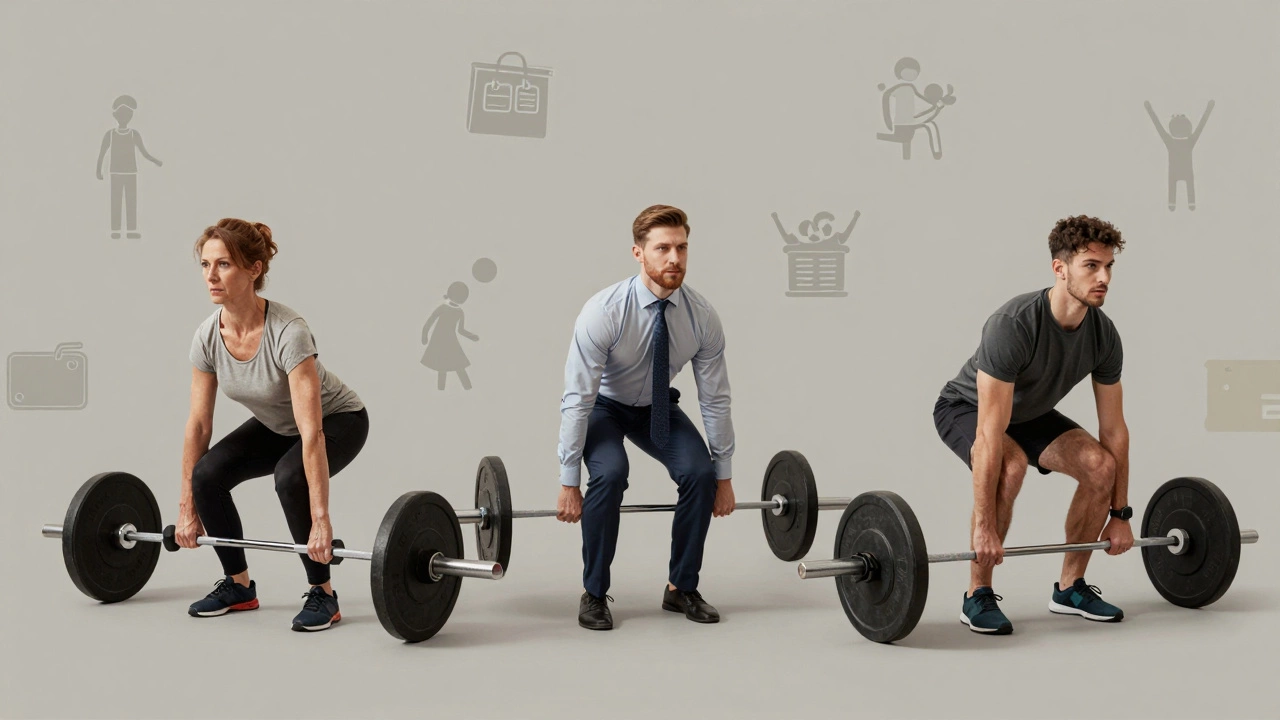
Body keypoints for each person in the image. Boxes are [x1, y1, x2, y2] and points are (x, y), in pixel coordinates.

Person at [932, 215, 1135, 636]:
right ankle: (977, 594)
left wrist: (1120, 514)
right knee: (1010, 465)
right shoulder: (1014, 325)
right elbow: (990, 433)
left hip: (1029, 412)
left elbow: (1113, 430)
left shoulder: (1103, 335)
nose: (1104, 278)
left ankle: (1070, 587)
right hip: (968, 408)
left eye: (1109, 266)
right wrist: (984, 527)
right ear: (1060, 269)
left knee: (1100, 465)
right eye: (1091, 266)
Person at [177, 218, 369, 632]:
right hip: (276, 423)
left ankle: (324, 593)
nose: (211, 275)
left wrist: (321, 521)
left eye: (224, 264)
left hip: (338, 420)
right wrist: (187, 511)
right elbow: (198, 426)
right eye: (205, 264)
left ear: (254, 270)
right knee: (206, 474)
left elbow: (311, 430)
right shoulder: (207, 336)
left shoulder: (288, 332)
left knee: (289, 477)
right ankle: (239, 585)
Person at [556, 205, 736, 630]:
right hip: (603, 407)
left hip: (657, 408)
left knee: (699, 473)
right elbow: (578, 397)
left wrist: (723, 475)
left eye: (681, 248)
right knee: (610, 473)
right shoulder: (603, 311)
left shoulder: (702, 316)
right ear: (638, 253)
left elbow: (715, 399)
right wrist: (568, 481)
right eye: (662, 248)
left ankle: (681, 588)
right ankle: (594, 593)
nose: (674, 258)